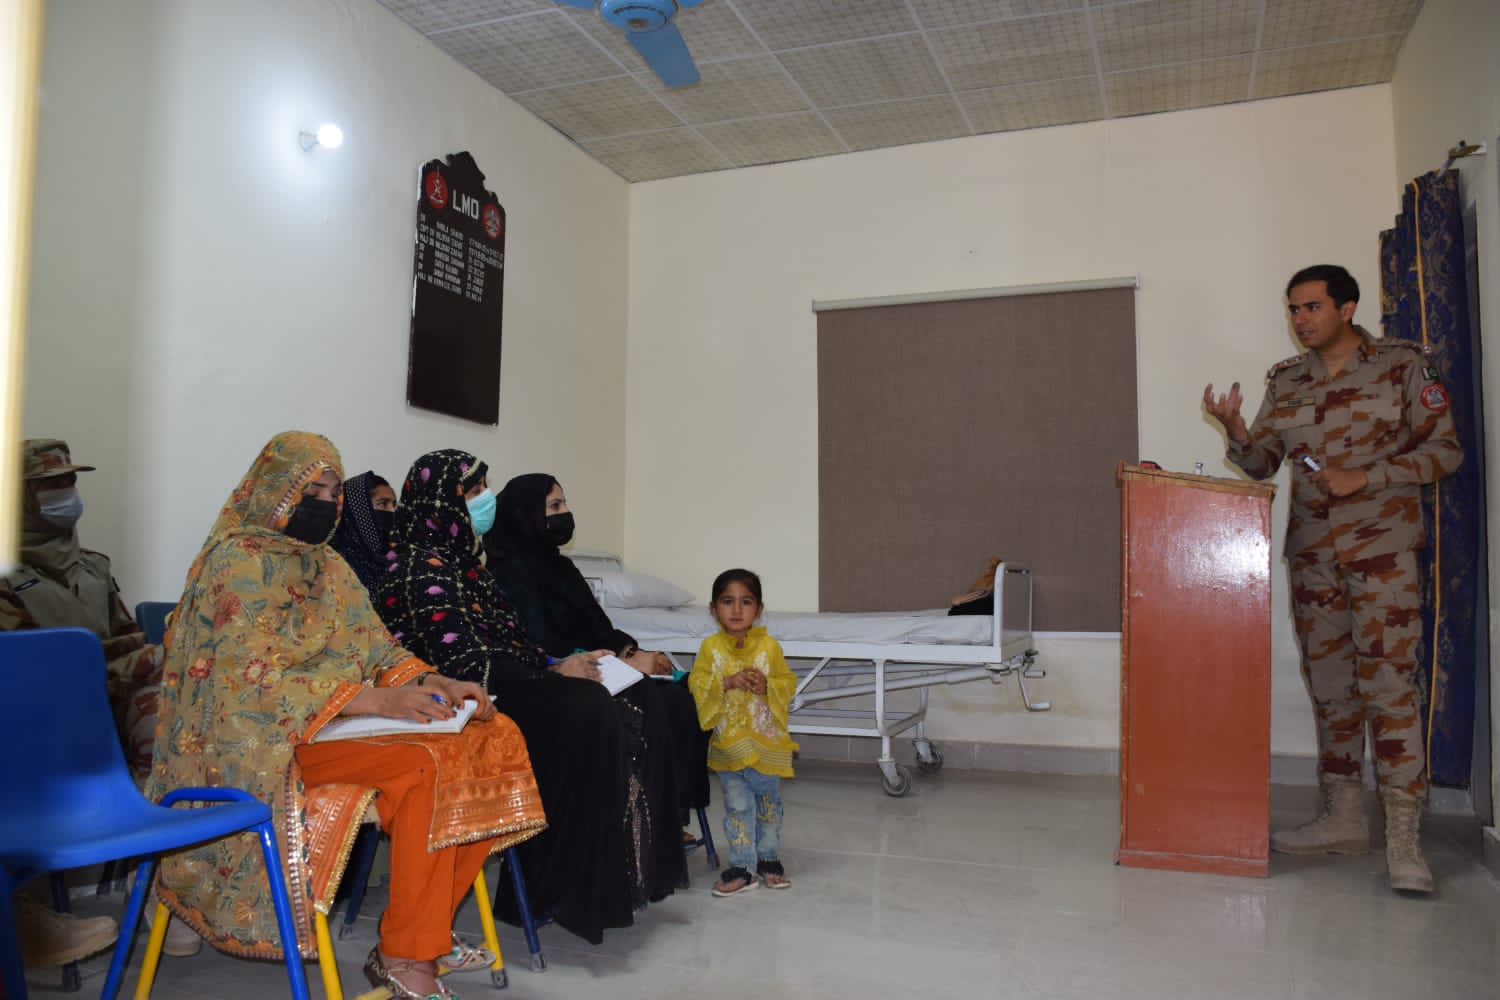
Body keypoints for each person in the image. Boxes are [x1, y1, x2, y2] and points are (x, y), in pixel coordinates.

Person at [146, 432, 547, 1000]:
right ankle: (407, 952)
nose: (326, 503)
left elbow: (379, 650)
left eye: (334, 491)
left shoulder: (329, 566)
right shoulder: (236, 563)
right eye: (311, 490)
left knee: (493, 735)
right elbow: (248, 686)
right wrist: (377, 701)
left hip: (342, 722)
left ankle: (424, 933)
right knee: (426, 767)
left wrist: (431, 681)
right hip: (269, 742)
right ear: (274, 490)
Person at [1203, 264, 1463, 894]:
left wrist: (1367, 477)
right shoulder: (1287, 380)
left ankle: (1405, 840)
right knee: (1331, 690)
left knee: (1390, 688)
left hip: (1384, 557)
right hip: (1314, 558)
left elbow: (1444, 451)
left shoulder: (1402, 366)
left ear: (1347, 308)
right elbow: (1263, 462)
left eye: (1312, 307)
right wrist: (1237, 433)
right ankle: (1343, 819)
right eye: (1293, 309)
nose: (1300, 320)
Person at [377, 450, 686, 946]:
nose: (485, 500)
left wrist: (557, 664)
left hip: (511, 679)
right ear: (440, 502)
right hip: (465, 698)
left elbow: (517, 642)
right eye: (473, 491)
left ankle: (628, 873)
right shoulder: (415, 569)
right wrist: (553, 671)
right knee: (586, 709)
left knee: (638, 693)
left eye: (484, 488)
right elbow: (459, 662)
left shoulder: (468, 567)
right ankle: (555, 889)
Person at [0, 439, 159, 966]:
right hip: (38, 720)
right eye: (50, 485)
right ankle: (16, 919)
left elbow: (130, 638)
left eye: (69, 482)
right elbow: (24, 666)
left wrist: (129, 659)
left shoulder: (92, 568)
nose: (65, 494)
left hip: (105, 708)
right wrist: (115, 659)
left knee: (168, 703)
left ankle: (159, 879)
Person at [485, 473, 711, 825]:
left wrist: (632, 653)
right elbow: (537, 643)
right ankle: (642, 819)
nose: (565, 513)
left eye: (565, 504)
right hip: (555, 675)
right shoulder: (506, 574)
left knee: (685, 693)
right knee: (662, 703)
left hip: (599, 663)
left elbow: (598, 626)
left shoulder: (562, 567)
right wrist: (619, 661)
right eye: (554, 506)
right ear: (525, 514)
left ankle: (667, 816)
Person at [688, 568, 798, 897]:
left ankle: (768, 859)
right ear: (713, 609)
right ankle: (741, 866)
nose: (737, 610)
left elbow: (786, 682)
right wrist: (726, 682)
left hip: (767, 746)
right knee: (737, 807)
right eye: (728, 601)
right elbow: (697, 683)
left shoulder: (769, 647)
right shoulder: (709, 648)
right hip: (730, 746)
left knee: (768, 805)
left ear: (759, 609)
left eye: (746, 602)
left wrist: (767, 686)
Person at [331, 470, 397, 594]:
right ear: (360, 509)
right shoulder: (334, 563)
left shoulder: (395, 558)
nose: (392, 511)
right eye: (383, 504)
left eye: (394, 505)